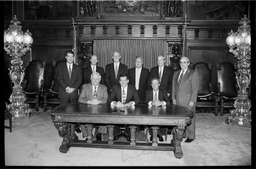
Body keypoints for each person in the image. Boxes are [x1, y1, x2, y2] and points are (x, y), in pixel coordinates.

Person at [172, 56, 199, 143]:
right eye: (181, 62)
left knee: (189, 118)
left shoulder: (193, 73)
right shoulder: (176, 73)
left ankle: (190, 136)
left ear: (188, 63)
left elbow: (195, 88)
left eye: (184, 62)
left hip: (188, 100)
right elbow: (173, 87)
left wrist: (192, 100)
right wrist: (173, 98)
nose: (182, 64)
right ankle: (181, 133)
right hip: (178, 100)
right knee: (180, 118)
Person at [107, 73, 140, 141]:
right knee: (113, 116)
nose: (123, 82)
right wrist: (115, 103)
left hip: (129, 108)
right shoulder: (115, 87)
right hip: (118, 108)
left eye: (124, 80)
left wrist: (131, 103)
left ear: (128, 81)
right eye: (121, 80)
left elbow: (137, 99)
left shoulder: (132, 88)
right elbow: (109, 99)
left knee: (132, 117)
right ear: (119, 81)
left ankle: (128, 133)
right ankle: (117, 133)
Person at [78, 72, 108, 141]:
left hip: (100, 108)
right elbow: (80, 99)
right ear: (90, 79)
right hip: (88, 108)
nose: (95, 80)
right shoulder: (85, 86)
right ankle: (87, 134)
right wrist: (89, 102)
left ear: (100, 79)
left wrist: (99, 101)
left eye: (97, 79)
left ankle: (98, 134)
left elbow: (106, 99)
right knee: (80, 117)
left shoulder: (104, 87)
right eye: (93, 79)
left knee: (105, 117)